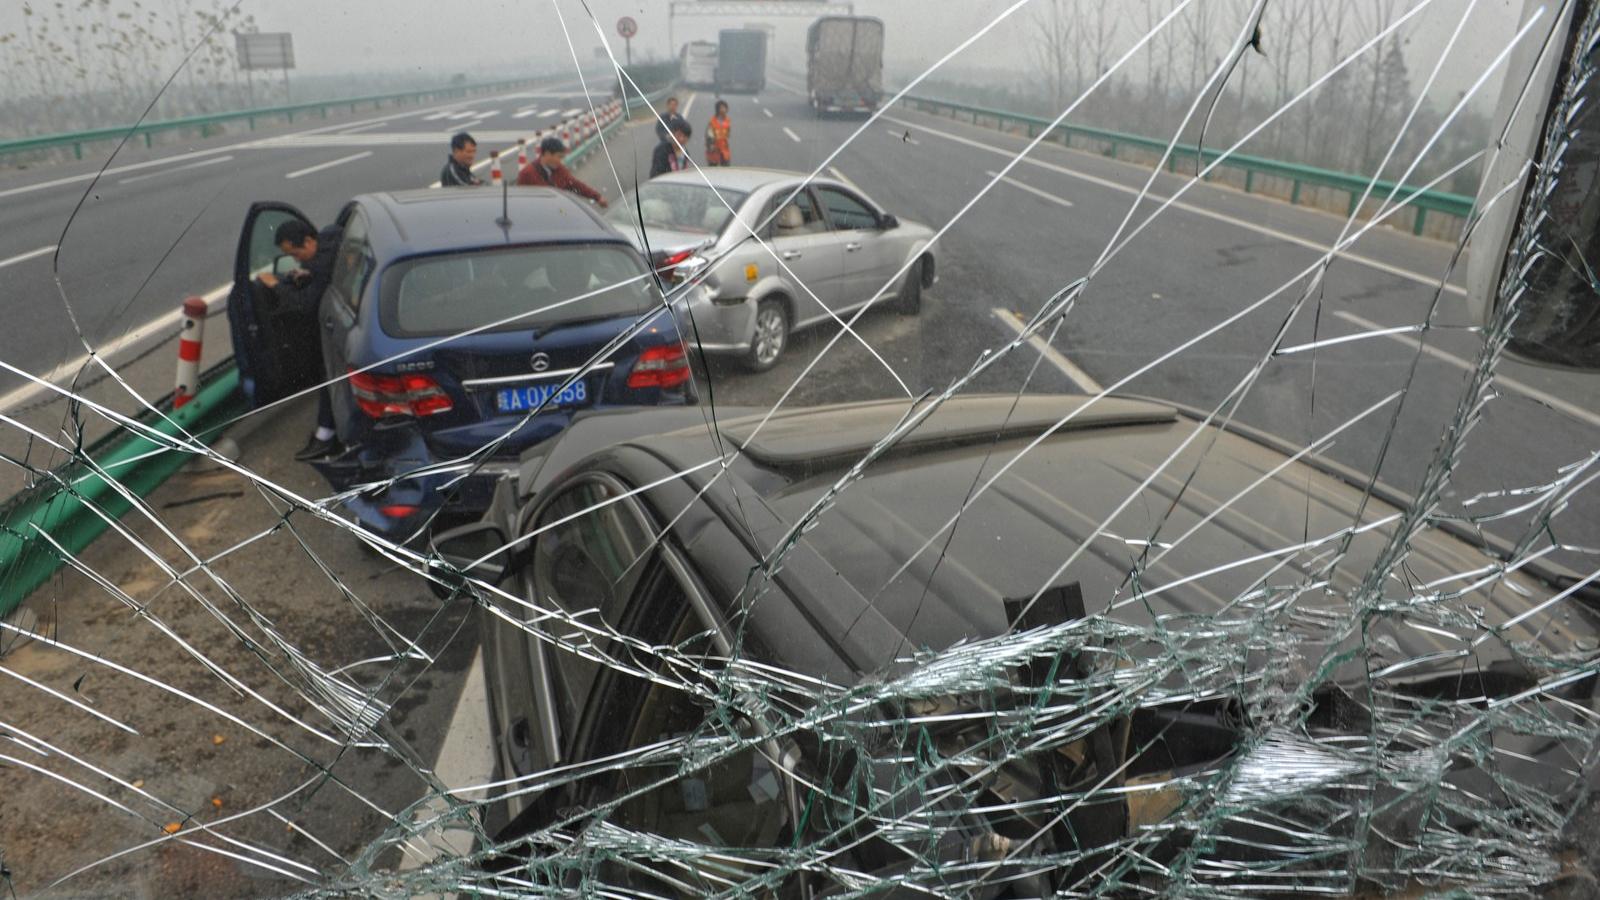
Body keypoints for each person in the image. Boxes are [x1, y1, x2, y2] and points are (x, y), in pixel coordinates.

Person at [256, 219, 343, 461]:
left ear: (308, 241)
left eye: (296, 254)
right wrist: (306, 272)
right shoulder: (331, 240)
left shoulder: (323, 264)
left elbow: (304, 304)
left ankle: (326, 437)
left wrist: (276, 286)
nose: (297, 260)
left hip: (342, 329)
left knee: (328, 373)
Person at [516, 136, 608, 207]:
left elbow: (574, 184)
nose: (561, 161)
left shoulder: (559, 169)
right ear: (547, 154)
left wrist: (597, 197)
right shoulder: (527, 174)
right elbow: (520, 201)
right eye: (559, 157)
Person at [705, 99, 731, 166]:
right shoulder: (712, 121)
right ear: (717, 109)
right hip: (714, 149)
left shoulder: (727, 121)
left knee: (725, 169)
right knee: (713, 169)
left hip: (724, 150)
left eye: (725, 108)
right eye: (721, 108)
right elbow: (709, 135)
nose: (723, 110)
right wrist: (711, 145)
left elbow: (727, 134)